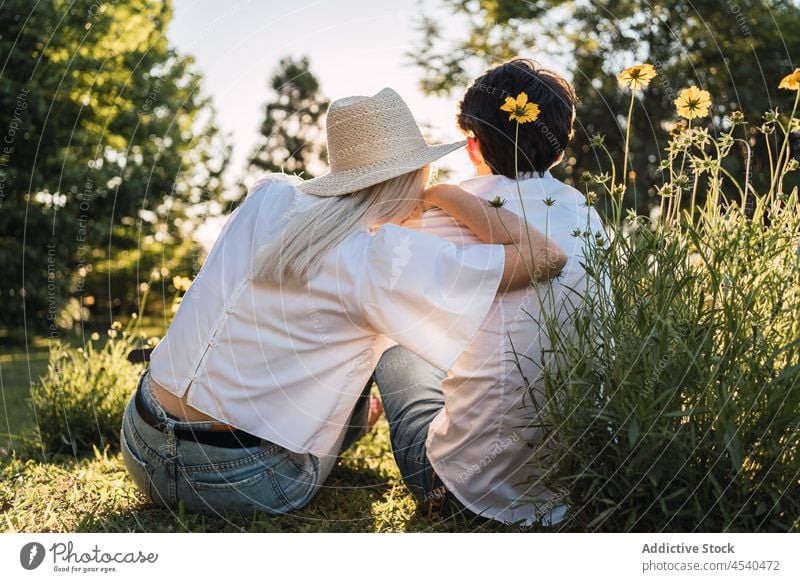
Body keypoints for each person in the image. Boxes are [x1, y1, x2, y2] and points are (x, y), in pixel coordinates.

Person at [120, 87, 567, 517]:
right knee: (392, 345)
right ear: (414, 175)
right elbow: (546, 256)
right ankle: (358, 420)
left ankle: (350, 416)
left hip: (141, 439)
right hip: (242, 478)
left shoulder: (268, 196)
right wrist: (447, 195)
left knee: (337, 333)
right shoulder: (377, 261)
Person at [374, 59, 608, 526]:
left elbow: (378, 263)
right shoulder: (590, 221)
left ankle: (336, 429)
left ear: (471, 143)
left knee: (396, 353)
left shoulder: (445, 216)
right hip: (577, 487)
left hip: (469, 494)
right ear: (558, 153)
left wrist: (436, 193)